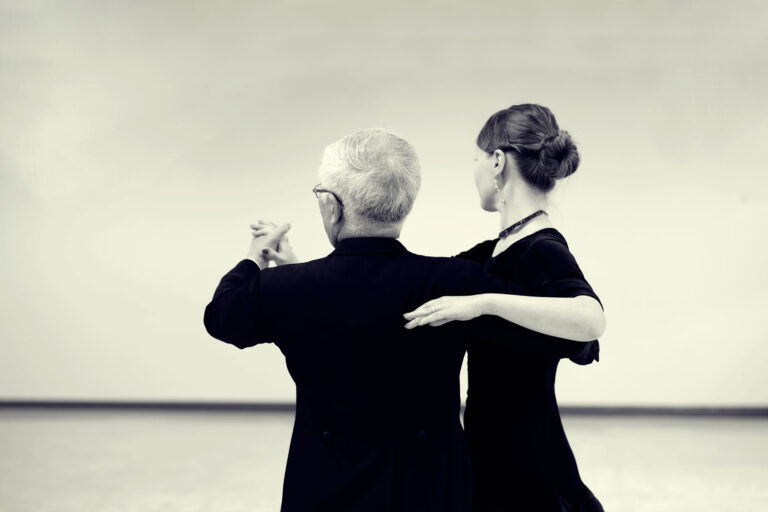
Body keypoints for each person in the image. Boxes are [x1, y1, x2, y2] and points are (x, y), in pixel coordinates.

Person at [204, 128, 589, 512]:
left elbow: (223, 317)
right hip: (433, 490)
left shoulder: (284, 289)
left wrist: (256, 258)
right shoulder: (453, 282)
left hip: (324, 487)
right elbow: (571, 336)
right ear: (404, 202)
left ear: (332, 207)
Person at [404, 104, 606, 511]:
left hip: (529, 464)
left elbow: (591, 320)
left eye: (476, 158)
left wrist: (484, 304)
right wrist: (302, 273)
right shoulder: (491, 253)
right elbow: (405, 289)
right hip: (492, 454)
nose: (474, 169)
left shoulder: (543, 248)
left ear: (497, 161)